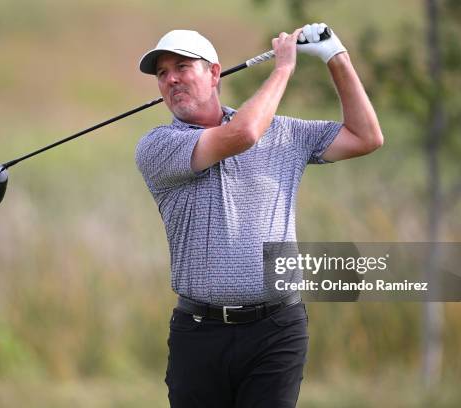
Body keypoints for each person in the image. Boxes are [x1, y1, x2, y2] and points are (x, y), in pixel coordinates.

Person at [135, 24, 383, 408]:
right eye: (162, 74)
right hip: (199, 335)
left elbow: (366, 136)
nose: (171, 80)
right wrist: (283, 68)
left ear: (214, 73)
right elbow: (244, 134)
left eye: (182, 67)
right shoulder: (158, 146)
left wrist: (337, 57)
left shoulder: (284, 133)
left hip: (277, 330)